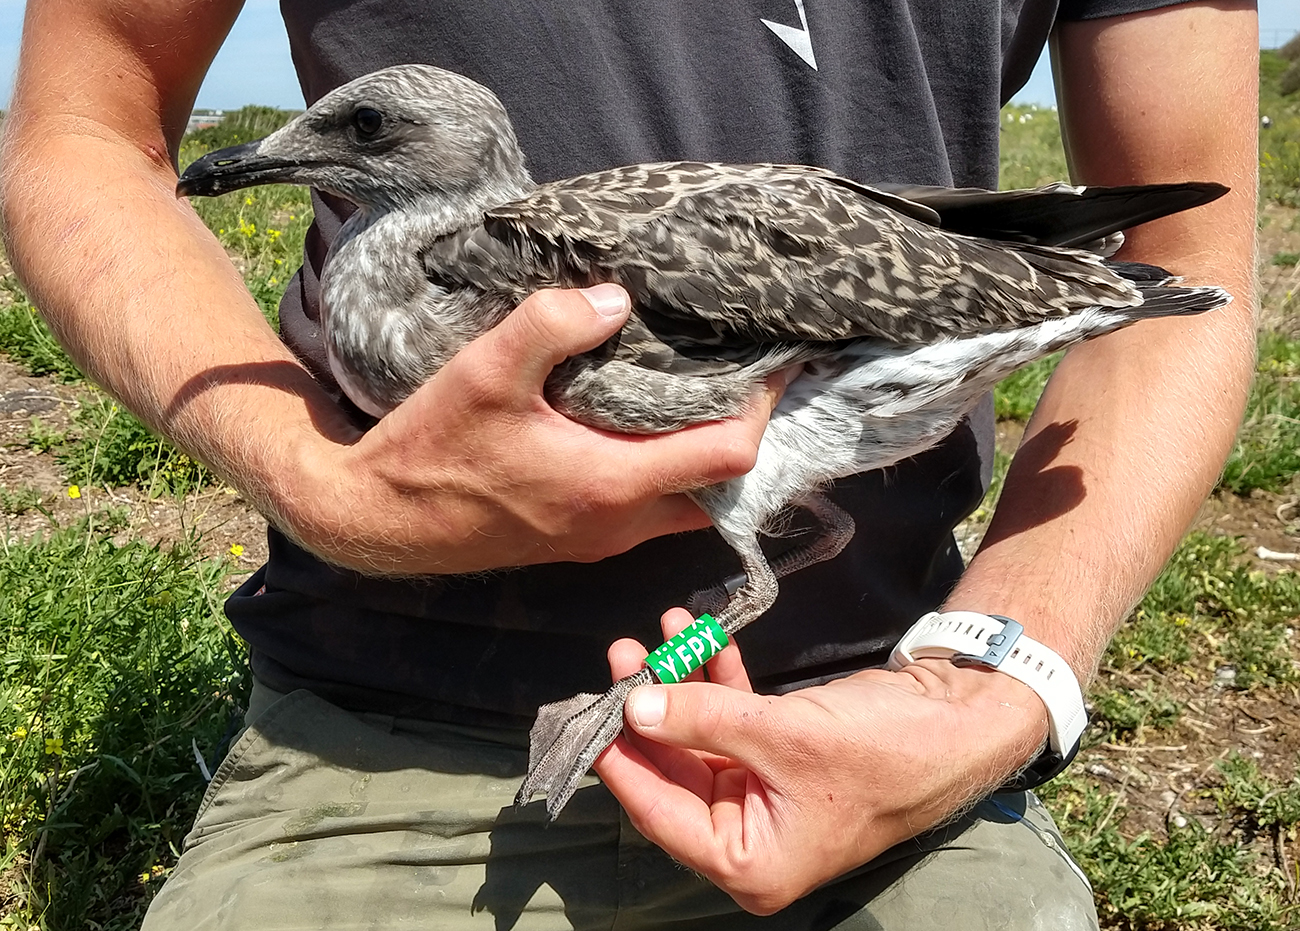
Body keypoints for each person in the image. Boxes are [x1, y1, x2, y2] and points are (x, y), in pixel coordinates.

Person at [0, 0, 1257, 927]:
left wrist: (986, 694)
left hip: (893, 719)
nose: (276, 154)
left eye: (363, 130)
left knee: (752, 563)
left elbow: (1198, 246)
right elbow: (80, 125)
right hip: (376, 728)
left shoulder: (521, 272)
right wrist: (324, 486)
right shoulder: (458, 265)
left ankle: (644, 684)